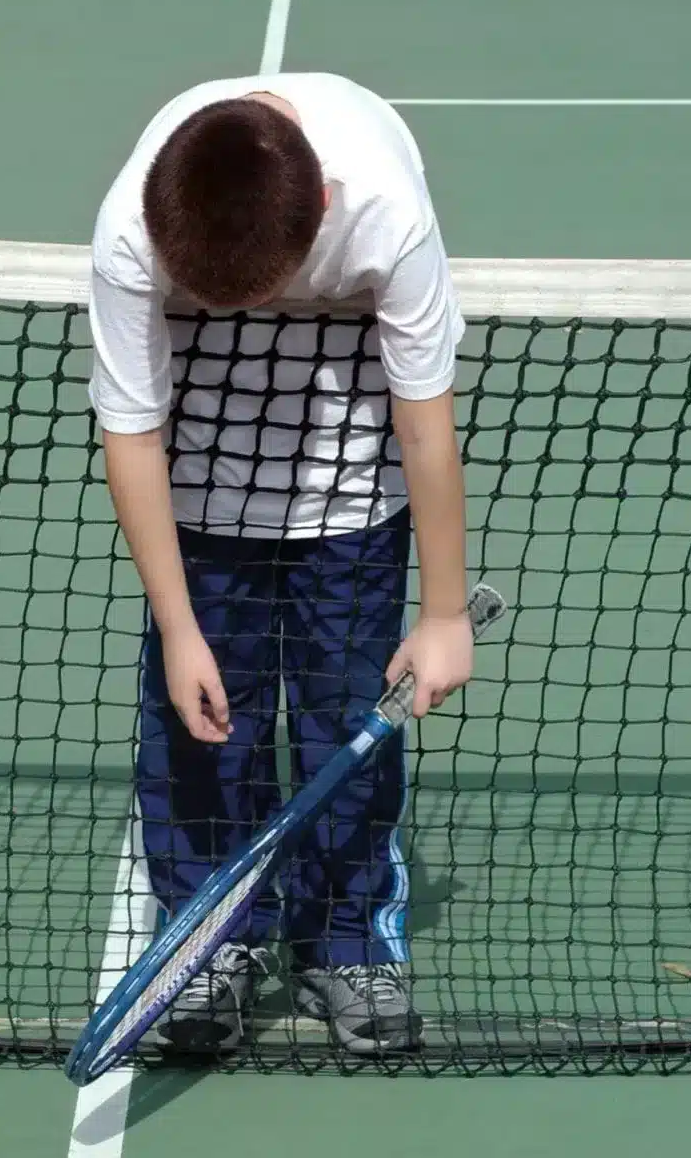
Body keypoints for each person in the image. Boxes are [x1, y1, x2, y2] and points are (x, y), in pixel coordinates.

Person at [88, 74, 472, 1056]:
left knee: (352, 726)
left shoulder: (383, 206)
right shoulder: (135, 225)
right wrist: (177, 629)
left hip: (354, 498)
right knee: (202, 732)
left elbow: (425, 424)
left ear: (328, 213)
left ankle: (348, 943)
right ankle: (208, 936)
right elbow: (130, 431)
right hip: (202, 495)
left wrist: (441, 613)